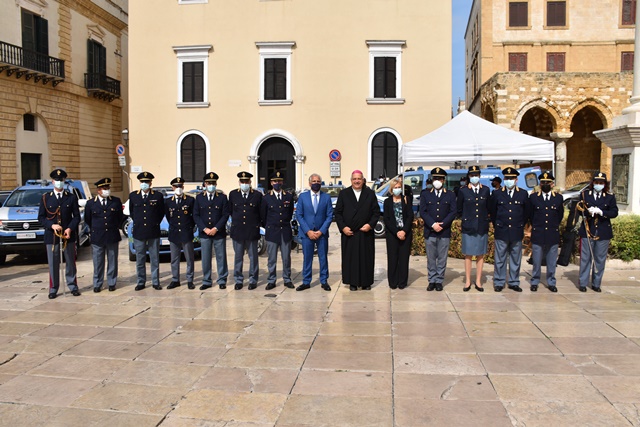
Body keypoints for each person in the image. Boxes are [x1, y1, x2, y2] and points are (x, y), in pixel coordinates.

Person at [38, 168, 81, 299]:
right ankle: (53, 288)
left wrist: (70, 228)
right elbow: (41, 218)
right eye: (57, 180)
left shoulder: (71, 197)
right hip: (52, 237)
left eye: (61, 180)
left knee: (70, 262)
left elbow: (77, 217)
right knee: (53, 263)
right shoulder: (46, 198)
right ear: (52, 182)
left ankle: (73, 286)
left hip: (68, 236)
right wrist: (52, 225)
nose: (59, 182)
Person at [335, 170, 381, 291]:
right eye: (354, 179)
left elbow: (376, 213)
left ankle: (366, 282)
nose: (357, 181)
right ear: (351, 180)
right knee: (351, 259)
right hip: (349, 233)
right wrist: (343, 227)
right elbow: (338, 213)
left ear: (363, 180)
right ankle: (352, 282)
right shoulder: (344, 194)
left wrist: (370, 225)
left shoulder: (370, 194)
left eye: (359, 179)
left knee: (366, 258)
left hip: (365, 232)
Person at [489, 167, 531, 292]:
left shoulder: (523, 194)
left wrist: (520, 224)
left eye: (511, 178)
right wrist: (498, 224)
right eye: (507, 178)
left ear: (516, 180)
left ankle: (513, 281)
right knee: (500, 258)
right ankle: (499, 281)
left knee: (515, 258)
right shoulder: (497, 193)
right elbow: (493, 212)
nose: (509, 180)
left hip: (516, 230)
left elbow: (526, 213)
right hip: (501, 230)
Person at [577, 171, 619, 292]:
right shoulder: (585, 194)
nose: (598, 184)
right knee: (586, 258)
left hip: (603, 230)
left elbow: (614, 212)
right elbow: (579, 209)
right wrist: (587, 211)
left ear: (605, 184)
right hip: (587, 229)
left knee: (599, 259)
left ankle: (596, 283)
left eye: (601, 182)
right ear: (593, 183)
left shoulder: (610, 197)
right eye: (596, 182)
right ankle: (583, 283)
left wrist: (602, 212)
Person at [420, 168, 456, 291]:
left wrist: (443, 224)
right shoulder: (425, 193)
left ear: (444, 180)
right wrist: (433, 224)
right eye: (435, 178)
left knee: (442, 257)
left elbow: (453, 212)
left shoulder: (450, 194)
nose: (437, 181)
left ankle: (439, 280)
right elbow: (423, 212)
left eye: (439, 179)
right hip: (430, 231)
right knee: (431, 258)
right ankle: (432, 280)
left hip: (444, 231)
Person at [295, 174, 333, 291]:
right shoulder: (303, 197)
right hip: (307, 234)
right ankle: (306, 281)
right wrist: (308, 231)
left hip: (322, 234)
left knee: (323, 258)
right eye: (314, 181)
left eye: (318, 181)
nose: (316, 183)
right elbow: (299, 215)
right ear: (309, 183)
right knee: (307, 258)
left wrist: (321, 231)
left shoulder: (326, 197)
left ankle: (324, 280)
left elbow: (330, 215)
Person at [85, 177, 122, 293]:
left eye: (108, 188)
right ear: (98, 190)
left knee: (112, 261)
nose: (107, 190)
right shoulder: (91, 203)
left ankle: (111, 282)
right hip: (98, 236)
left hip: (112, 235)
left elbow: (120, 217)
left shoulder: (115, 201)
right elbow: (87, 219)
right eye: (104, 188)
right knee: (98, 262)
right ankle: (97, 283)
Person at [129, 171, 165, 291]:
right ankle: (141, 281)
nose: (144, 184)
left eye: (146, 182)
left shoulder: (157, 196)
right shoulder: (133, 196)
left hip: (153, 231)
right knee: (140, 258)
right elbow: (132, 212)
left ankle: (155, 281)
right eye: (142, 182)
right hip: (139, 232)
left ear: (150, 183)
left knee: (154, 258)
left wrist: (154, 223)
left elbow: (160, 213)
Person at [529, 171, 564, 292]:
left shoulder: (558, 198)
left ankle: (551, 282)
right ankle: (535, 281)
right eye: (542, 182)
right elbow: (531, 215)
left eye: (547, 182)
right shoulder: (533, 197)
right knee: (536, 260)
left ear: (552, 184)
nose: (545, 184)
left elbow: (560, 215)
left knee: (551, 260)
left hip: (552, 233)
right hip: (538, 232)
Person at [457, 165, 490, 292]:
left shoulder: (486, 190)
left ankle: (478, 281)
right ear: (469, 177)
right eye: (472, 175)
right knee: (468, 254)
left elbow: (488, 207)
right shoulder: (463, 191)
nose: (474, 177)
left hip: (481, 226)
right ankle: (467, 281)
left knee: (480, 254)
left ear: (480, 176)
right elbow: (459, 208)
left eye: (476, 175)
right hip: (469, 226)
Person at [194, 172, 229, 290]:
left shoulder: (222, 197)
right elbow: (196, 215)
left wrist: (215, 228)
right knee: (206, 257)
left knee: (221, 257)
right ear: (205, 184)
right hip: (205, 233)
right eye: (209, 183)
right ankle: (207, 280)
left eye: (213, 183)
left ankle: (222, 279)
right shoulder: (199, 198)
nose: (211, 185)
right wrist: (205, 228)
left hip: (218, 232)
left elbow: (225, 215)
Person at [229, 171, 262, 290]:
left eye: (246, 181)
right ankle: (238, 279)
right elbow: (231, 211)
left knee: (253, 257)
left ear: (250, 182)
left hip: (252, 230)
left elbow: (260, 213)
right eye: (242, 181)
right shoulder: (233, 194)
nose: (244, 183)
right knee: (238, 257)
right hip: (238, 231)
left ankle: (253, 279)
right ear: (239, 182)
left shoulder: (257, 195)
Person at [261, 171, 295, 290]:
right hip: (272, 231)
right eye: (275, 181)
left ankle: (287, 278)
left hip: (285, 231)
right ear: (271, 183)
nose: (277, 183)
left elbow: (290, 213)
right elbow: (263, 216)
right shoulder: (266, 198)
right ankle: (271, 280)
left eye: (279, 181)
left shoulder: (288, 196)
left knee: (286, 257)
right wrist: (269, 226)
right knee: (272, 258)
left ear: (282, 182)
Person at [165, 177, 195, 290]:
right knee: (174, 258)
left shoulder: (190, 200)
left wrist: (190, 227)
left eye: (180, 186)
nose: (178, 188)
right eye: (176, 186)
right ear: (172, 187)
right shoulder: (168, 201)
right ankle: (175, 279)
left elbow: (193, 216)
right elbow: (169, 217)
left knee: (189, 258)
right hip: (174, 233)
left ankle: (190, 279)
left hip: (186, 232)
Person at [384, 177, 413, 289]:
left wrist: (404, 231)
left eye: (399, 187)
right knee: (393, 258)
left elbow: (410, 216)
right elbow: (387, 219)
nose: (397, 189)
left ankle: (402, 282)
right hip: (392, 234)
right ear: (391, 189)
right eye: (395, 188)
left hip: (405, 233)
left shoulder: (406, 199)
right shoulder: (387, 202)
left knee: (403, 258)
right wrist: (396, 232)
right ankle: (393, 281)